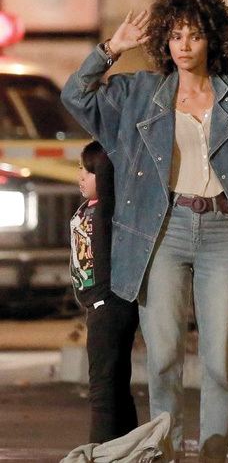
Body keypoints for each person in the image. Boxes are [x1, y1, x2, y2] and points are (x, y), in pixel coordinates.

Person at [61, 0, 228, 462]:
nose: (184, 45)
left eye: (195, 35)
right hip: (162, 231)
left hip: (224, 231)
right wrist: (111, 49)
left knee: (218, 360)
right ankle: (166, 454)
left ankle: (212, 456)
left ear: (213, 39)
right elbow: (75, 94)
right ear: (164, 40)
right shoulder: (139, 93)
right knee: (163, 358)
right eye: (175, 35)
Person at [70, 141, 139, 444]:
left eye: (89, 171)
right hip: (97, 306)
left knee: (103, 385)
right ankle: (125, 446)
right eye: (80, 170)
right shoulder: (87, 208)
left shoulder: (109, 211)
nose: (81, 177)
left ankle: (100, 449)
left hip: (109, 304)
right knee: (114, 383)